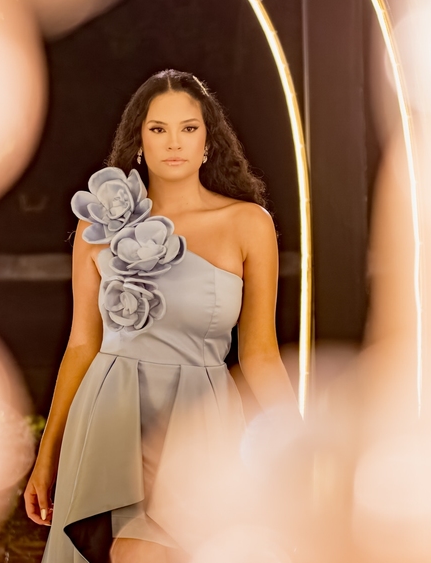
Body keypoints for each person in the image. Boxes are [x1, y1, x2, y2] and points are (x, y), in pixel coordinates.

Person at [25, 69, 298, 563]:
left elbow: (260, 354)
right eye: (158, 128)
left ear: (208, 142)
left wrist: (299, 443)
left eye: (188, 128)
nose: (174, 142)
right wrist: (46, 457)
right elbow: (82, 344)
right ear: (139, 141)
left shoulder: (247, 224)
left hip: (201, 423)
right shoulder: (96, 227)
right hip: (111, 417)